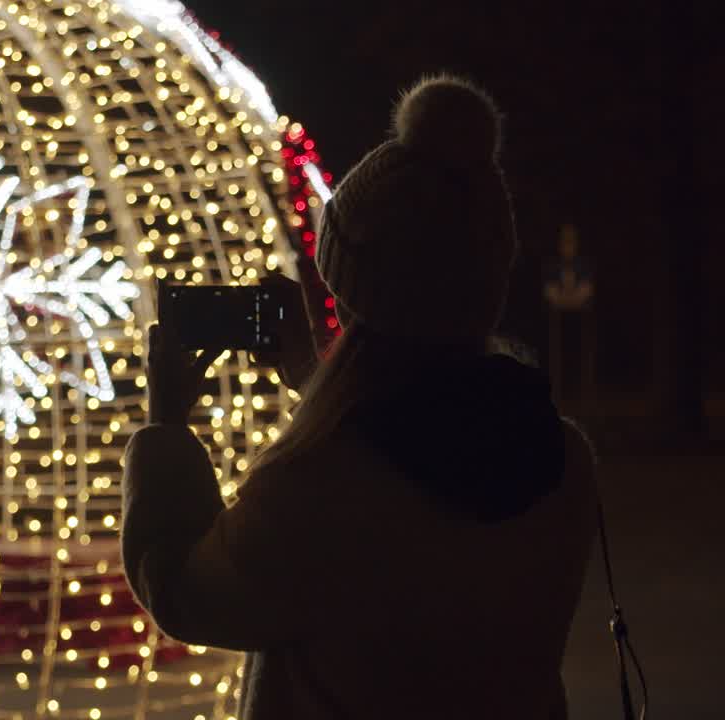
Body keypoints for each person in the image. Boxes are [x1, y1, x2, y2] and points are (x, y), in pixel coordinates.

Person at [121, 76, 599, 719]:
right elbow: (424, 437)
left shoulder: (320, 484)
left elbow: (185, 591)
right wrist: (314, 377)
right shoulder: (562, 458)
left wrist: (167, 430)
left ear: (353, 291)